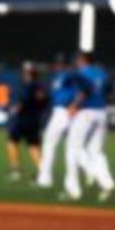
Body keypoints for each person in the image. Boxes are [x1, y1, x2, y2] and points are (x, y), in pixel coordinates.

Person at [62, 49, 115, 201]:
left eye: (78, 59)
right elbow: (109, 92)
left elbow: (84, 90)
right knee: (96, 151)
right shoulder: (102, 73)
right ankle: (107, 183)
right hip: (101, 112)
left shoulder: (83, 73)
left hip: (85, 112)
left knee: (72, 148)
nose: (76, 62)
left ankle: (74, 189)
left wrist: (74, 105)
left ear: (83, 60)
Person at [36, 54, 77, 190]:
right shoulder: (58, 76)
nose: (58, 65)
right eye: (58, 63)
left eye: (60, 63)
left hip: (65, 111)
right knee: (75, 146)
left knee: (50, 142)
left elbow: (79, 91)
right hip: (61, 111)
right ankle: (92, 172)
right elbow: (53, 94)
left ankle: (45, 179)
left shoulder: (69, 75)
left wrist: (74, 104)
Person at [6, 61, 51, 182]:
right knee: (34, 146)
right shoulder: (42, 86)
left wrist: (16, 108)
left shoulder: (26, 85)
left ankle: (15, 170)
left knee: (12, 142)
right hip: (34, 119)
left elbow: (22, 100)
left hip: (22, 119)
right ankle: (43, 171)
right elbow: (46, 102)